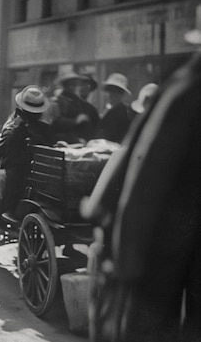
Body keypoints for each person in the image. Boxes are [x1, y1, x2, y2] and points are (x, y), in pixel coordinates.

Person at [84, 38, 201, 341]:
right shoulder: (187, 90)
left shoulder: (182, 91)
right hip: (160, 251)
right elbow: (143, 179)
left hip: (163, 248)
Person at [0, 86, 55, 218]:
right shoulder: (14, 126)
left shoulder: (42, 126)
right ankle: (10, 209)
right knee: (16, 172)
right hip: (17, 165)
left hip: (39, 166)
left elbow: (50, 144)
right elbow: (7, 154)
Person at [50, 71, 93, 144]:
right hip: (63, 140)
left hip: (78, 138)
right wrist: (75, 121)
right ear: (65, 85)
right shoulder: (58, 101)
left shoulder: (77, 101)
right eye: (71, 84)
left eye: (75, 84)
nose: (73, 87)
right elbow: (55, 122)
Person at [97, 73, 131, 143]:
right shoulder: (107, 109)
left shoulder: (124, 112)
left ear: (121, 94)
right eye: (110, 90)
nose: (111, 94)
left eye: (116, 92)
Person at [78, 74, 100, 139]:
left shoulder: (93, 110)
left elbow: (96, 131)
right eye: (81, 84)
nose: (84, 87)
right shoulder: (71, 105)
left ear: (90, 89)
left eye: (87, 85)